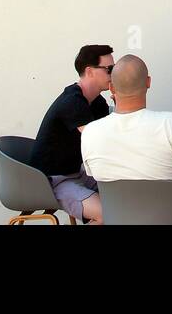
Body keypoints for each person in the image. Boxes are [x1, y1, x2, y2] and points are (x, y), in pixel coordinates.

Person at [80, 55, 172, 190]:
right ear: (148, 82)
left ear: (111, 88)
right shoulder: (171, 124)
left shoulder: (90, 132)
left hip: (118, 211)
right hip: (171, 210)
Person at [30, 44, 114, 225]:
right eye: (110, 69)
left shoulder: (98, 102)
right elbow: (99, 143)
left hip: (78, 173)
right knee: (108, 215)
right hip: (53, 181)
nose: (114, 75)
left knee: (128, 201)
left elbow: (111, 138)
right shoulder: (72, 102)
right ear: (90, 71)